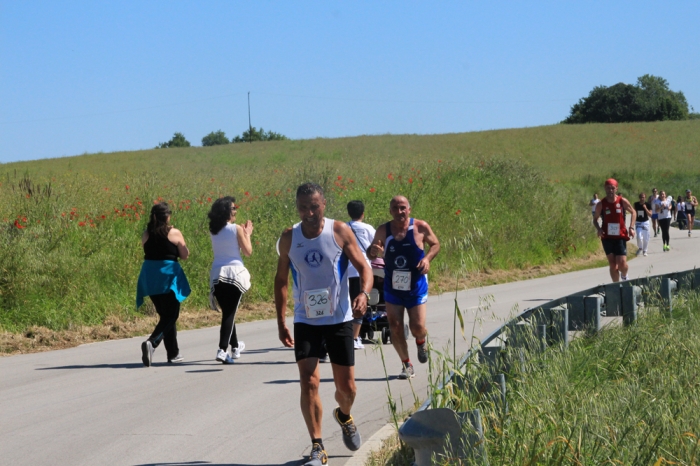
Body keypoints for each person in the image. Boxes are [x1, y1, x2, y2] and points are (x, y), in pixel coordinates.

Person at [274, 183, 373, 465]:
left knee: (348, 389)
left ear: (324, 204)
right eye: (303, 207)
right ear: (297, 207)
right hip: (306, 319)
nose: (309, 213)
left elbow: (365, 267)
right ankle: (317, 446)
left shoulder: (339, 231)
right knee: (309, 382)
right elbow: (281, 281)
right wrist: (282, 321)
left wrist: (364, 294)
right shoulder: (289, 238)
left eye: (314, 206)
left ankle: (344, 415)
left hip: (339, 318)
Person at [367, 196, 440, 379]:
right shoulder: (384, 230)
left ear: (409, 209)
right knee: (395, 326)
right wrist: (372, 251)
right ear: (390, 211)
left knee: (417, 326)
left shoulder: (420, 227)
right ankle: (406, 365)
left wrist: (426, 259)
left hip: (415, 285)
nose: (399, 212)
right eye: (395, 208)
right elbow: (372, 251)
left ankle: (421, 341)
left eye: (402, 208)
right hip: (393, 286)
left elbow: (436, 244)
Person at [137, 202, 191, 367]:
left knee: (166, 316)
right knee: (171, 315)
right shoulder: (173, 233)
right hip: (167, 276)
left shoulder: (146, 234)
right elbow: (184, 255)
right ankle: (151, 343)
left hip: (150, 277)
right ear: (167, 216)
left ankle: (173, 353)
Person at [208, 197, 253, 364]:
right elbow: (248, 251)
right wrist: (247, 234)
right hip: (234, 273)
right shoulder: (236, 229)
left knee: (228, 311)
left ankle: (235, 347)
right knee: (229, 313)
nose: (235, 211)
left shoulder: (213, 230)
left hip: (217, 274)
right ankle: (222, 349)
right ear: (226, 211)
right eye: (233, 208)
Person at [346, 200, 377, 350]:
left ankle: (347, 335)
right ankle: (354, 338)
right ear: (363, 214)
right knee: (359, 304)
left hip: (346, 271)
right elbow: (374, 248)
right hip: (363, 271)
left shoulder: (343, 228)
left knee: (347, 304)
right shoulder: (368, 228)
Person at [593, 179, 636, 282]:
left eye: (612, 188)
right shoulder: (601, 204)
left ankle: (625, 276)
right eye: (608, 188)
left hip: (620, 236)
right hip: (607, 237)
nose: (610, 190)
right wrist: (598, 229)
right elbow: (595, 219)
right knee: (613, 265)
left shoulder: (622, 201)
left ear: (616, 188)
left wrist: (631, 227)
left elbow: (633, 212)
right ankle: (616, 286)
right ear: (605, 188)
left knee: (622, 264)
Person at [633, 192, 652, 256]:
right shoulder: (636, 204)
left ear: (645, 198)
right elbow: (634, 213)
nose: (642, 198)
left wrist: (645, 208)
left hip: (645, 222)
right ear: (639, 198)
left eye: (643, 197)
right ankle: (640, 248)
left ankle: (645, 250)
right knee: (639, 236)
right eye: (641, 197)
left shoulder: (648, 204)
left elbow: (650, 214)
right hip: (638, 222)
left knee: (646, 238)